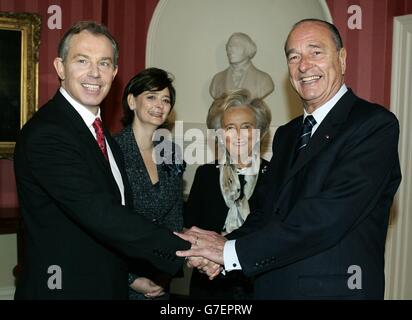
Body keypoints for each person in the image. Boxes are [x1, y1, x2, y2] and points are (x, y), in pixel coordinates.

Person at [176, 19, 402, 299]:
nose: (304, 65)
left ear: (342, 59)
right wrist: (223, 249)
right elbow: (265, 212)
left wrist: (229, 252)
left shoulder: (372, 125)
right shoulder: (288, 134)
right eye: (293, 57)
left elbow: (325, 217)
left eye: (315, 52)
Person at [13, 21, 189, 299]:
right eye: (82, 61)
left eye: (104, 63)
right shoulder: (48, 133)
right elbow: (101, 214)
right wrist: (185, 249)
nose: (94, 73)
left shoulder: (100, 134)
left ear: (115, 73)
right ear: (60, 67)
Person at [184, 88, 271, 299]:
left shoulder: (276, 175)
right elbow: (190, 229)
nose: (238, 135)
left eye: (246, 127)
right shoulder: (205, 174)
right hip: (210, 286)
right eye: (230, 128)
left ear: (259, 132)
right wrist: (204, 259)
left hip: (259, 285)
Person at [114, 68, 185, 300]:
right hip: (118, 275)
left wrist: (166, 272)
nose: (160, 105)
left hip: (159, 277)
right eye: (151, 96)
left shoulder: (171, 153)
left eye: (166, 100)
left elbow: (174, 218)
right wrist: (131, 279)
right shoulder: (111, 151)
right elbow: (104, 224)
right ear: (132, 101)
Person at [209, 32, 274, 100]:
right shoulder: (217, 80)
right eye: (229, 46)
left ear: (248, 48)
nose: (230, 49)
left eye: (236, 45)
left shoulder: (264, 80)